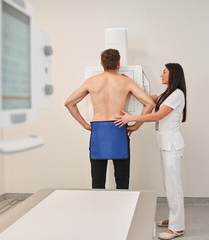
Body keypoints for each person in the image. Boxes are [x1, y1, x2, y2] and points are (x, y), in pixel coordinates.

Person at [115, 63, 187, 239]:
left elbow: (157, 115)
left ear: (173, 75)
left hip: (172, 145)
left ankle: (177, 228)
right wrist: (128, 82)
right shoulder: (166, 93)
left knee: (173, 186)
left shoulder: (177, 94)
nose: (161, 75)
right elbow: (147, 99)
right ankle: (173, 218)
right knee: (168, 184)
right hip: (165, 144)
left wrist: (131, 118)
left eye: (164, 72)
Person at [64, 49, 154, 189]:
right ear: (118, 63)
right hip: (118, 128)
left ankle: (99, 210)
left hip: (98, 131)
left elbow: (69, 103)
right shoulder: (126, 82)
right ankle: (123, 210)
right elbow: (150, 103)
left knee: (98, 182)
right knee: (122, 181)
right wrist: (137, 125)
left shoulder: (91, 82)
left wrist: (84, 124)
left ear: (101, 63)